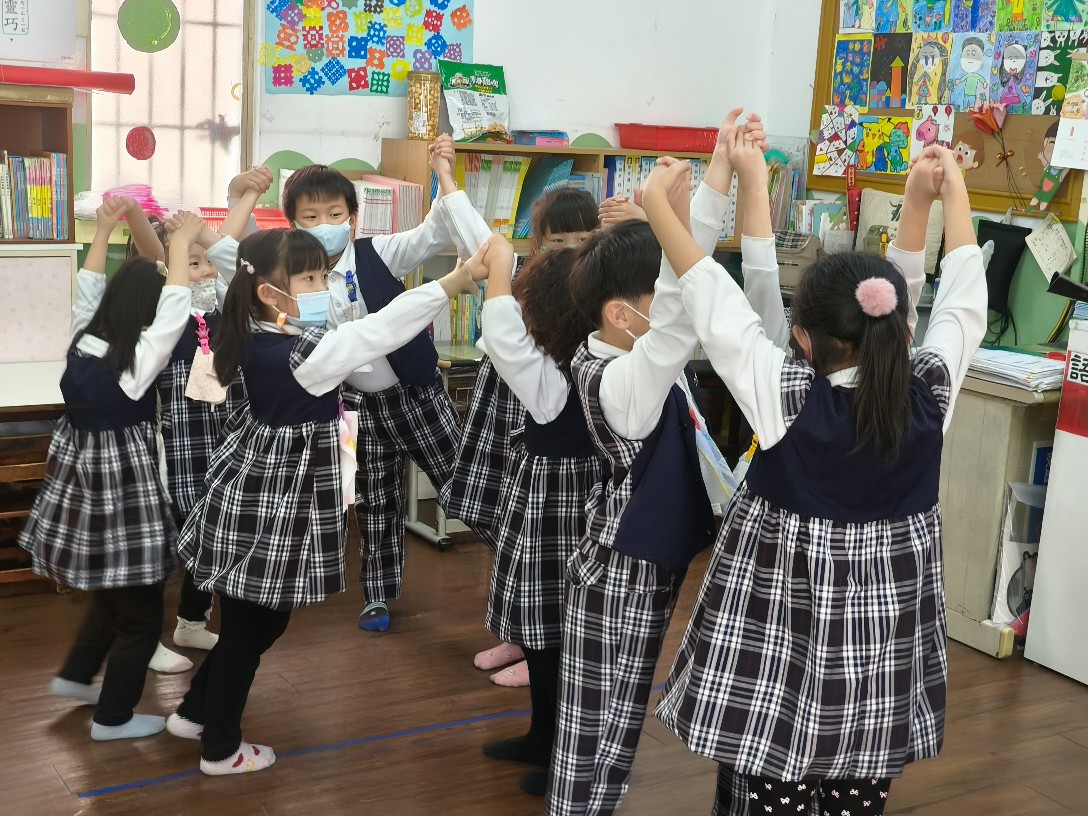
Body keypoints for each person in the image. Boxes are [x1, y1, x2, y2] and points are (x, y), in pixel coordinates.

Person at [651, 135, 986, 815]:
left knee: (760, 791)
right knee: (856, 795)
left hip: (778, 659)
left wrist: (661, 209)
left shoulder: (787, 399)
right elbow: (961, 308)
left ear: (803, 340)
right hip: (876, 672)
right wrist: (938, 199)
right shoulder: (929, 394)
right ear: (900, 333)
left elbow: (715, 303)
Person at [165, 228, 487, 775]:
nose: (324, 287)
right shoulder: (301, 352)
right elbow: (380, 330)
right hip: (272, 505)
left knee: (256, 623)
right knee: (251, 628)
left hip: (254, 495)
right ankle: (220, 748)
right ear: (270, 293)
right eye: (311, 278)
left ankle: (194, 712)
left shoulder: (257, 331)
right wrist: (454, 280)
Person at [544, 108, 763, 816]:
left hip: (645, 563)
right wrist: (692, 198)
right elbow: (676, 314)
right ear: (619, 313)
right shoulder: (620, 383)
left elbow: (682, 287)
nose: (672, 304)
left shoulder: (630, 352)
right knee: (595, 736)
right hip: (619, 574)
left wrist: (717, 174)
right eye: (655, 297)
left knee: (617, 726)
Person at [206, 139, 482, 634]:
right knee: (375, 498)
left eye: (335, 214)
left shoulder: (377, 253)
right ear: (292, 224)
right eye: (311, 217)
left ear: (353, 219)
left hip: (416, 394)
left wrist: (444, 174)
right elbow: (235, 253)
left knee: (460, 479)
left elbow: (435, 231)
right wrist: (237, 194)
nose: (325, 224)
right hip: (354, 402)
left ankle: (511, 563)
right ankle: (378, 594)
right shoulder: (290, 276)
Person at [19, 199, 202, 740]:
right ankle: (113, 717)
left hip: (82, 488)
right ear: (145, 313)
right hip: (123, 495)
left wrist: (101, 233)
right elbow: (173, 313)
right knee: (142, 616)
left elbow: (88, 288)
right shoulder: (135, 360)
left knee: (110, 592)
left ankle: (76, 677)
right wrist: (179, 247)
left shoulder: (84, 339)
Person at [440, 185, 599, 688]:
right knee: (514, 538)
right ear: (539, 243)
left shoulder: (598, 288)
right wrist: (447, 181)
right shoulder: (533, 279)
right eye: (558, 240)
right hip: (514, 418)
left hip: (554, 428)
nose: (571, 249)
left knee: (548, 551)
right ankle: (521, 635)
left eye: (583, 238)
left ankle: (544, 649)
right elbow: (485, 246)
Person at [462, 237, 602, 797]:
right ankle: (543, 735)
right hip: (549, 492)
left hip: (560, 500)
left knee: (554, 636)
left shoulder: (560, 373)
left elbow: (500, 335)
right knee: (542, 634)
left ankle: (564, 755)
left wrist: (500, 266)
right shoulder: (574, 359)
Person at [126, 192, 267, 675]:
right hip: (180, 445)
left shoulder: (223, 308)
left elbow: (227, 244)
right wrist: (137, 215)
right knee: (168, 543)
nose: (205, 271)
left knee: (213, 532)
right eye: (192, 263)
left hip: (226, 440)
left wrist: (248, 196)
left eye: (207, 263)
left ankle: (191, 621)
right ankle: (142, 637)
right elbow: (154, 254)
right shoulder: (168, 313)